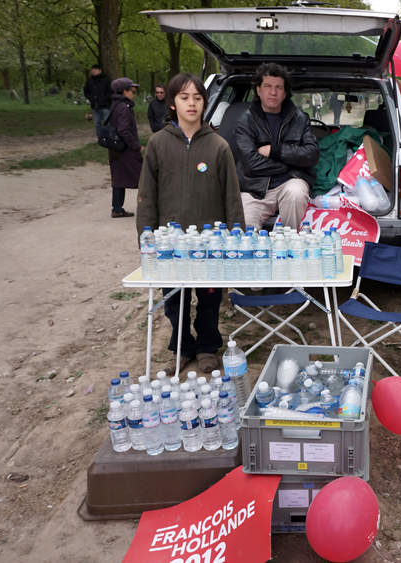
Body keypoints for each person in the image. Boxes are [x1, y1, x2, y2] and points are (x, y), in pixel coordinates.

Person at [137, 73, 245, 374]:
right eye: (184, 97)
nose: (192, 103)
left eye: (197, 97)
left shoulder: (218, 146)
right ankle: (182, 347)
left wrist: (235, 237)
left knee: (209, 299)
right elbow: (146, 195)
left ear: (205, 103)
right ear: (172, 103)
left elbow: (232, 198)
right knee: (174, 300)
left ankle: (208, 347)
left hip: (210, 242)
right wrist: (146, 242)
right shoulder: (158, 144)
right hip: (169, 244)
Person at [234, 63, 319, 231]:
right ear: (258, 90)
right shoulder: (245, 121)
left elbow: (312, 155)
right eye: (268, 86)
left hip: (289, 185)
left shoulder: (300, 118)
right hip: (254, 189)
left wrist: (274, 151)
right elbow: (251, 164)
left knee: (296, 192)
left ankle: (290, 243)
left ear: (285, 92)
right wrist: (291, 163)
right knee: (244, 229)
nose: (273, 92)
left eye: (279, 87)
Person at [107, 78, 142, 218]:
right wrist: (135, 145)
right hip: (125, 149)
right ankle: (149, 206)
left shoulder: (116, 104)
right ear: (124, 91)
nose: (134, 92)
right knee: (142, 176)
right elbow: (123, 130)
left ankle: (117, 209)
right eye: (132, 90)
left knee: (119, 177)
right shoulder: (123, 107)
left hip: (115, 147)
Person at [84, 64, 113, 138]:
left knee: (107, 122)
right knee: (97, 123)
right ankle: (99, 137)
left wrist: (104, 98)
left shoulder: (106, 79)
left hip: (105, 105)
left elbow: (110, 91)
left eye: (95, 69)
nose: (93, 71)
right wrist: (90, 98)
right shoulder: (90, 80)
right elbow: (86, 91)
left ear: (100, 71)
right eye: (92, 69)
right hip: (94, 106)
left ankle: (109, 137)